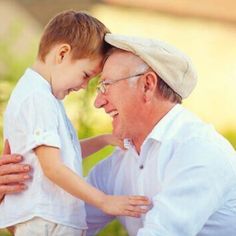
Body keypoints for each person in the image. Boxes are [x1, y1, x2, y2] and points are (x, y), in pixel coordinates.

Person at [1, 33, 236, 236]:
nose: (98, 102)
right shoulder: (120, 162)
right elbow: (61, 227)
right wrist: (17, 196)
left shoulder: (199, 152)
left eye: (106, 85)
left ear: (147, 85)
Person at [0, 13, 150, 236]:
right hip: (47, 219)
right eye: (86, 75)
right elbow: (53, 167)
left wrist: (104, 140)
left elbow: (63, 156)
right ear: (62, 54)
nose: (83, 86)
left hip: (49, 218)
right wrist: (104, 201)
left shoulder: (44, 96)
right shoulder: (37, 98)